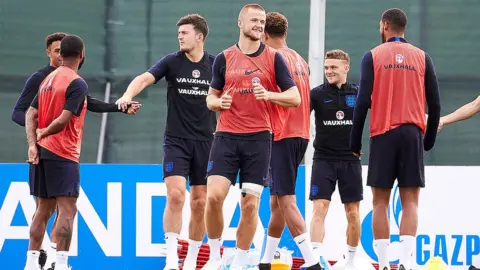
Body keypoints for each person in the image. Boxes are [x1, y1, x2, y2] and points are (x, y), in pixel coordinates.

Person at [203, 4, 319, 270]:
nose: (259, 24)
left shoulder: (276, 58)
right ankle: (214, 256)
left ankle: (242, 262)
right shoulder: (224, 58)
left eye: (262, 21)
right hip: (226, 137)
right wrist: (216, 103)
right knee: (213, 198)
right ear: (240, 22)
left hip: (260, 139)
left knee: (251, 206)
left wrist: (269, 95)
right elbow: (211, 96)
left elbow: (295, 97)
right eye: (254, 20)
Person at [13, 32, 140, 270]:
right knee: (68, 209)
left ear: (61, 55)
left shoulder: (47, 80)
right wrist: (45, 132)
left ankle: (31, 264)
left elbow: (30, 113)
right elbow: (63, 119)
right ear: (82, 55)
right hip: (63, 153)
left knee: (42, 209)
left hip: (40, 153)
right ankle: (60, 263)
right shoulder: (76, 82)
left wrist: (33, 142)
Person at [115, 14, 216, 270]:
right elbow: (144, 79)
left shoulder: (216, 65)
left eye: (185, 32)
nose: (180, 36)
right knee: (175, 195)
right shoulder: (172, 61)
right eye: (179, 32)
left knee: (200, 202)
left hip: (207, 142)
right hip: (177, 141)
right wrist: (127, 95)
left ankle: (192, 259)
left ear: (200, 36)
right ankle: (171, 259)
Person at [349, 8, 441, 270]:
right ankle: (407, 264)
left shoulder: (372, 56)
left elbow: (362, 102)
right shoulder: (423, 58)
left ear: (386, 25)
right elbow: (435, 104)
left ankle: (386, 264)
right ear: (404, 28)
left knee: (380, 202)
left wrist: (354, 143)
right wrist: (428, 139)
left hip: (383, 134)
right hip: (413, 134)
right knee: (410, 202)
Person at [257, 11, 319, 270]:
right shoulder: (300, 59)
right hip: (301, 133)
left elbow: (282, 97)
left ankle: (313, 261)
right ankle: (265, 261)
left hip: (282, 134)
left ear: (264, 34)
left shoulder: (272, 58)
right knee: (276, 201)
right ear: (285, 33)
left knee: (286, 199)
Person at [309, 50, 362, 270]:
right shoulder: (316, 94)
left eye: (334, 67)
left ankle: (350, 261)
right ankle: (315, 259)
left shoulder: (359, 93)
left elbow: (384, 112)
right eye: (326, 67)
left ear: (346, 68)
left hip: (350, 160)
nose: (329, 71)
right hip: (323, 159)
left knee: (353, 213)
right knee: (319, 208)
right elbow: (296, 116)